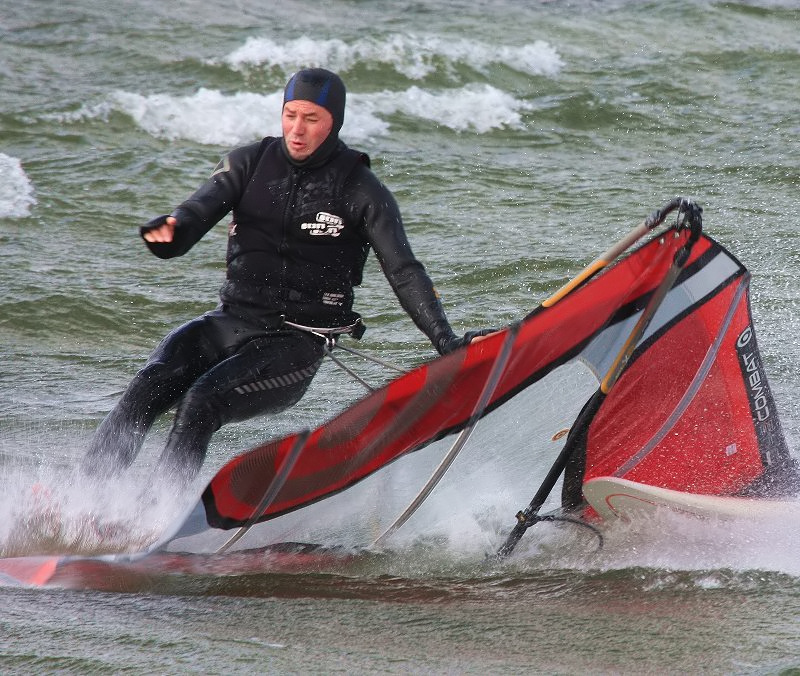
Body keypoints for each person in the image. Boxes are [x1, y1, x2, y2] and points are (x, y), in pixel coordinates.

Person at [82, 68, 491, 486]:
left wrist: (446, 341)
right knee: (149, 383)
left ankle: (154, 515)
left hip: (295, 342)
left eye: (311, 119)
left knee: (201, 401)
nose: (297, 129)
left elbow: (404, 271)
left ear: (335, 122)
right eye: (290, 115)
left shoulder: (360, 188)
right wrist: (168, 233)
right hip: (230, 321)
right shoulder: (248, 163)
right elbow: (190, 220)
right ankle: (84, 497)